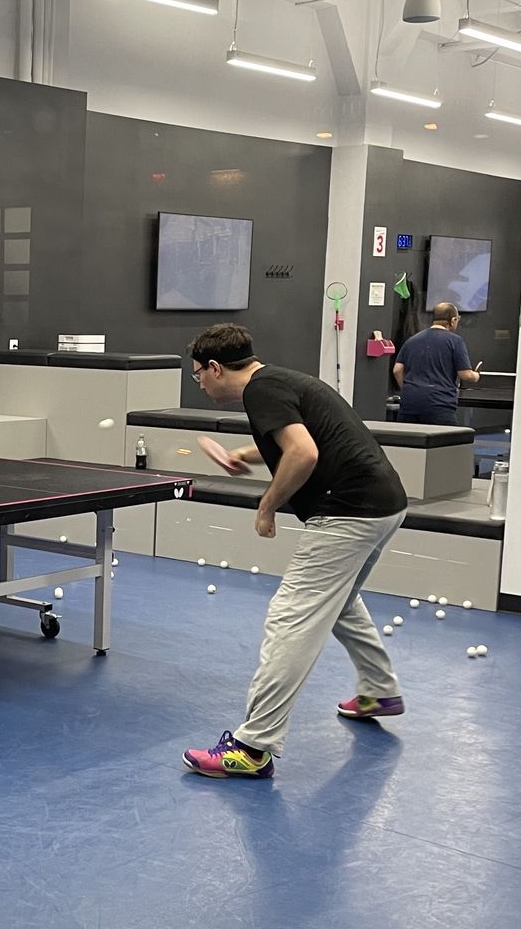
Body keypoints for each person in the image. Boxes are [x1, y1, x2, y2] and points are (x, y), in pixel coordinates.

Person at [181, 323, 409, 779]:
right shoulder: (279, 380)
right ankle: (379, 690)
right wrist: (245, 455)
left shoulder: (260, 392)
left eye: (198, 375)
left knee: (290, 619)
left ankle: (252, 747)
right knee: (341, 603)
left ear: (215, 367)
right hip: (385, 505)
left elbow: (303, 453)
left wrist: (267, 506)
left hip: (346, 512)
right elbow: (301, 436)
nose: (200, 383)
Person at [392, 302, 481, 425]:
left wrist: (409, 389)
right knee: (448, 437)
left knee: (408, 437)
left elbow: (397, 370)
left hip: (410, 402)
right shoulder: (455, 341)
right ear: (453, 320)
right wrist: (476, 376)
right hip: (439, 403)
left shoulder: (412, 340)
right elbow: (465, 375)